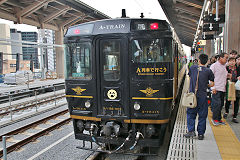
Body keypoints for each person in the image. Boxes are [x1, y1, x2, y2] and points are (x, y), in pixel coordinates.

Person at [184, 54, 214, 140]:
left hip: (192, 96)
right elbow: (212, 84)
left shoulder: (193, 68)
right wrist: (206, 85)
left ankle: (191, 131)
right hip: (203, 96)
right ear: (207, 61)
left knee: (190, 113)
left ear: (199, 60)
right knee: (202, 115)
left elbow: (190, 77)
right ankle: (201, 134)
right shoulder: (208, 71)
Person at [210, 52, 229, 126]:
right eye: (226, 58)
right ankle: (214, 119)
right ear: (220, 58)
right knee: (216, 104)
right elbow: (210, 78)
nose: (226, 60)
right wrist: (213, 88)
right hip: (216, 89)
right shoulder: (214, 66)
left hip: (222, 88)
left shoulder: (224, 66)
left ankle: (218, 118)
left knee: (221, 105)